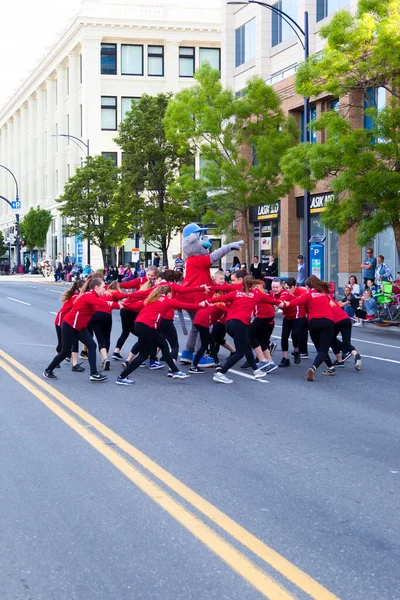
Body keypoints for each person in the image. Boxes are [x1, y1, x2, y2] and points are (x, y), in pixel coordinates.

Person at [203, 276, 282, 384]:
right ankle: (221, 373)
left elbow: (221, 298)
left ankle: (256, 371)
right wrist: (281, 303)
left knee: (246, 346)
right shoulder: (256, 294)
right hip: (240, 324)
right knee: (240, 353)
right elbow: (270, 300)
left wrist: (207, 301)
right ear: (252, 285)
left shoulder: (236, 293)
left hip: (229, 323)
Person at [116, 285, 200, 385]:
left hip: (139, 324)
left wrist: (123, 304)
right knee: (143, 355)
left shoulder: (151, 299)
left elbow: (135, 305)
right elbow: (186, 306)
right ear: (169, 293)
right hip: (147, 326)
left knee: (163, 345)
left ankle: (175, 371)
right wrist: (203, 304)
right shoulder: (168, 300)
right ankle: (122, 377)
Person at [43, 277, 120, 382]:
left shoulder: (93, 296)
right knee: (65, 352)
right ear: (96, 287)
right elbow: (103, 304)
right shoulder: (88, 296)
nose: (105, 289)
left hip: (79, 327)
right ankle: (48, 370)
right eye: (103, 287)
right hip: (70, 325)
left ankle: (94, 373)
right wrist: (119, 305)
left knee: (92, 345)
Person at [287, 275, 336, 381]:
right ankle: (313, 368)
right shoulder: (324, 293)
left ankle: (331, 367)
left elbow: (297, 302)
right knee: (324, 349)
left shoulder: (308, 294)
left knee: (319, 348)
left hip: (313, 322)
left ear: (309, 286)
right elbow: (331, 302)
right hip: (327, 321)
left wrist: (286, 303)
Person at [329, 299, 362, 371]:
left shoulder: (322, 302)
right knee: (347, 343)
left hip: (336, 321)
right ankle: (355, 354)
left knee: (331, 339)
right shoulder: (332, 301)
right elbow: (339, 305)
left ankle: (339, 360)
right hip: (346, 319)